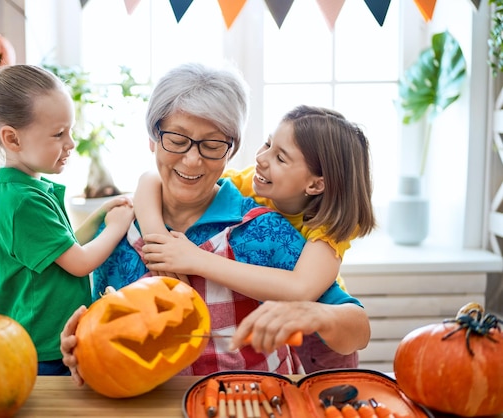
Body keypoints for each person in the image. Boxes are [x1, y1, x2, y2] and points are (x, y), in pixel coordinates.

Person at [59, 62, 370, 382]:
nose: (192, 160)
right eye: (177, 140)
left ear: (231, 150)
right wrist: (84, 345)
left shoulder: (270, 232)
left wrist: (314, 314)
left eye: (211, 145)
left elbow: (355, 330)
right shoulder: (113, 231)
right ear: (153, 139)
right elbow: (106, 333)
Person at [135, 104, 376, 372]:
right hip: (274, 322)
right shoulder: (253, 181)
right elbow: (151, 178)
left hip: (321, 337)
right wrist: (157, 242)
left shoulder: (330, 226)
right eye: (268, 144)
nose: (261, 158)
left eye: (280, 158)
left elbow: (301, 290)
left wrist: (195, 259)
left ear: (316, 185)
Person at [0, 62, 135, 376]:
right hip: (40, 346)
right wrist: (115, 228)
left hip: (48, 339)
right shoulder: (24, 203)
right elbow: (78, 262)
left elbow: (65, 245)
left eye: (71, 131)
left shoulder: (30, 189)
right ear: (13, 140)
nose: (71, 143)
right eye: (58, 134)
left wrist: (100, 215)